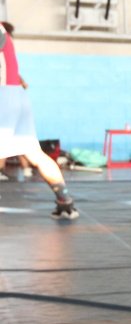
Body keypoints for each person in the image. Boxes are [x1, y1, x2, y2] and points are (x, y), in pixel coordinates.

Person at [0, 20, 78, 220]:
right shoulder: (6, 40)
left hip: (4, 99)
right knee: (35, 154)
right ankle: (65, 202)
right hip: (16, 97)